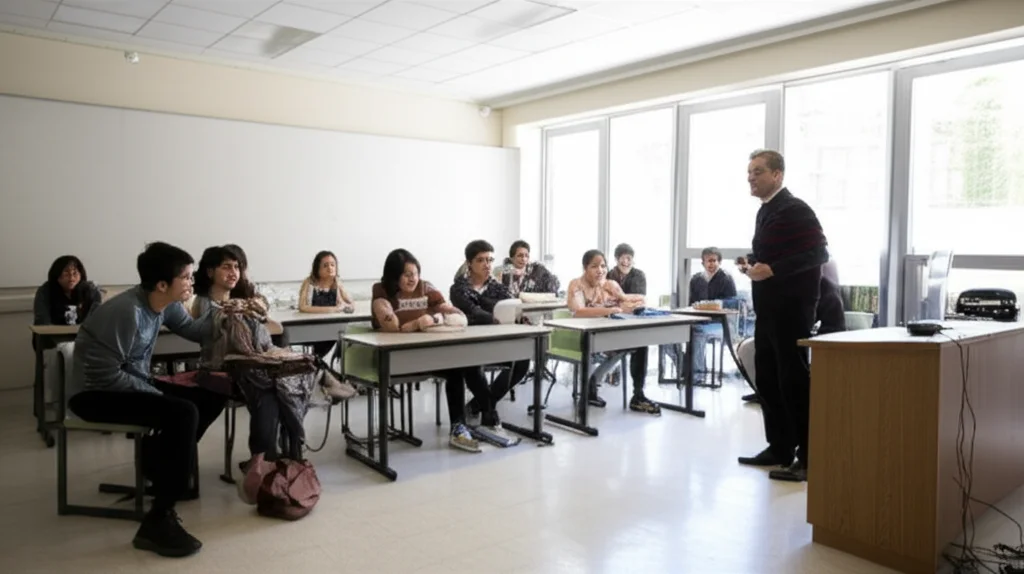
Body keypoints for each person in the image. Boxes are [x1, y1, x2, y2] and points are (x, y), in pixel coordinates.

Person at [67, 242, 225, 557]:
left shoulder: (166, 303)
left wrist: (225, 309)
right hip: (94, 394)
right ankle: (158, 518)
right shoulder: (126, 311)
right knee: (182, 413)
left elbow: (196, 331)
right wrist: (155, 391)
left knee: (211, 397)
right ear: (162, 284)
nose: (191, 283)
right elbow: (105, 376)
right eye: (187, 278)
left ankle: (160, 468)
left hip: (128, 380)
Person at [736, 150, 829, 483]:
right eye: (749, 172)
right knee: (769, 379)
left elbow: (819, 252)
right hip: (769, 309)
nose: (751, 177)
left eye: (758, 171)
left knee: (792, 382)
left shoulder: (795, 209)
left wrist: (773, 268)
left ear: (777, 174)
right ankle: (779, 447)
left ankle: (807, 457)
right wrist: (753, 263)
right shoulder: (767, 211)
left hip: (791, 308)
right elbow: (775, 254)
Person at [371, 248, 492, 453]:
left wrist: (433, 318)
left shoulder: (426, 288)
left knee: (458, 368)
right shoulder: (382, 292)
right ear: (394, 276)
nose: (413, 279)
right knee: (458, 369)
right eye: (407, 274)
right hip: (394, 358)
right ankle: (484, 417)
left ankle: (464, 425)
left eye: (415, 273)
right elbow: (393, 326)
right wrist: (421, 321)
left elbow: (458, 317)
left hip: (426, 354)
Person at [566, 249, 660, 415]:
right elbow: (578, 311)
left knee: (640, 343)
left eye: (603, 266)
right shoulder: (576, 284)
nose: (600, 270)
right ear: (585, 268)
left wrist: (636, 303)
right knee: (619, 345)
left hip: (606, 334)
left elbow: (627, 301)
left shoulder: (610, 285)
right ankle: (591, 384)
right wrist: (609, 310)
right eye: (594, 266)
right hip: (583, 336)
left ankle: (638, 395)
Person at [449, 240, 530, 421]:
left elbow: (510, 308)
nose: (487, 265)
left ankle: (481, 405)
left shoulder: (498, 287)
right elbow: (473, 311)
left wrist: (516, 317)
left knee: (522, 361)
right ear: (469, 263)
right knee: (473, 365)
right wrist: (495, 316)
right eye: (481, 260)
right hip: (470, 343)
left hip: (497, 340)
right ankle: (489, 412)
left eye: (490, 260)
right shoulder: (458, 289)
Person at [688, 247, 737, 381]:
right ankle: (686, 368)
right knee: (683, 331)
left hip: (720, 324)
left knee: (697, 332)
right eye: (708, 261)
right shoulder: (696, 279)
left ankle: (698, 374)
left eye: (714, 261)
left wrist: (716, 304)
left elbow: (732, 304)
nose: (712, 264)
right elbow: (691, 303)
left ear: (719, 262)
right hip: (700, 321)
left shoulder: (726, 279)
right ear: (703, 262)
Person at [298, 250, 355, 358]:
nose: (330, 268)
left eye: (333, 265)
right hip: (311, 325)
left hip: (331, 326)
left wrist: (344, 305)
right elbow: (303, 307)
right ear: (317, 268)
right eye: (325, 265)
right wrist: (332, 309)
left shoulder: (337, 282)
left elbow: (351, 303)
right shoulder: (309, 282)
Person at [33, 255, 103, 326]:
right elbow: (42, 321)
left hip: (83, 335)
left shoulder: (90, 290)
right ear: (56, 274)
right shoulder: (45, 291)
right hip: (53, 335)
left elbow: (96, 322)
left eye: (75, 273)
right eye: (66, 272)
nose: (71, 277)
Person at [496, 240, 560, 296]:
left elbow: (554, 283)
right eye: (520, 256)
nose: (524, 259)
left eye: (526, 256)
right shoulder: (504, 271)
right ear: (512, 258)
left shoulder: (537, 270)